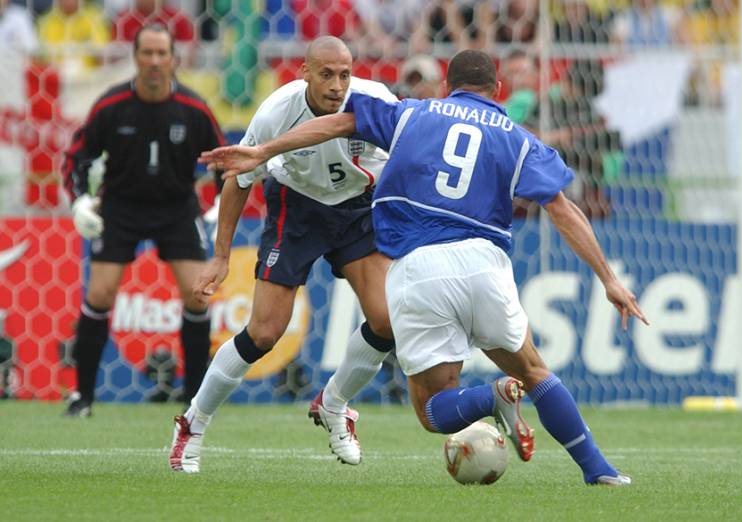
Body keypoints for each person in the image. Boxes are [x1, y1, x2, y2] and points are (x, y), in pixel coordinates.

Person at [202, 49, 649, 486]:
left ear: (446, 87)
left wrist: (265, 151)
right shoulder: (517, 136)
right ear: (497, 90)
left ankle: (490, 396)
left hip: (419, 270)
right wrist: (609, 279)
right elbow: (563, 208)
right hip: (485, 266)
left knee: (433, 408)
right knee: (533, 371)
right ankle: (599, 469)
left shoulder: (413, 113)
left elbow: (336, 124)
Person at [168, 37, 398, 473]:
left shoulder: (375, 102)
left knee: (387, 322)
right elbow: (238, 178)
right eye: (326, 74)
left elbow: (408, 158)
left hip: (356, 210)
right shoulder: (277, 111)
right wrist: (220, 257)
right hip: (297, 209)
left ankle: (335, 405)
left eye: (344, 74)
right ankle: (193, 424)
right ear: (304, 73)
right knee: (264, 333)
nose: (337, 85)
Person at [61, 24, 224, 417]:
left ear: (173, 59)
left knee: (197, 294)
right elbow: (76, 158)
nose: (153, 62)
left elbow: (225, 162)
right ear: (135, 58)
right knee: (99, 294)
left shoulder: (195, 109)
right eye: (146, 54)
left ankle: (194, 402)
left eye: (160, 54)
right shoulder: (110, 106)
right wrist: (80, 201)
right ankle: (82, 397)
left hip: (177, 207)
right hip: (121, 206)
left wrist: (222, 202)